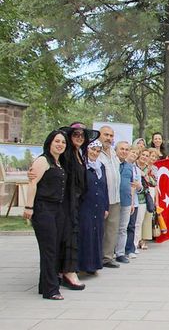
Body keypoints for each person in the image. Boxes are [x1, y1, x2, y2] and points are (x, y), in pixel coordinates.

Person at [23, 130, 69, 300]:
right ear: (49, 142)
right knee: (49, 249)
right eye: (57, 141)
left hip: (57, 209)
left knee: (54, 248)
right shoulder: (42, 160)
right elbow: (33, 183)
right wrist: (29, 207)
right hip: (44, 209)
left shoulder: (58, 162)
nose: (60, 145)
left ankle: (44, 285)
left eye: (63, 142)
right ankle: (51, 290)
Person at [59, 122, 99, 289]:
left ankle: (66, 270)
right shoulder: (66, 154)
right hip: (66, 201)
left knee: (72, 234)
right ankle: (67, 271)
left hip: (77, 201)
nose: (79, 138)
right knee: (67, 235)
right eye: (76, 135)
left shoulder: (79, 153)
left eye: (82, 136)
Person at [78, 139, 108, 275]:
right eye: (92, 150)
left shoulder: (100, 166)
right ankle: (82, 265)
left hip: (99, 204)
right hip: (85, 205)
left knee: (97, 235)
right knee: (85, 234)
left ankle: (94, 265)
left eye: (97, 151)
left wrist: (106, 206)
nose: (95, 153)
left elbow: (104, 187)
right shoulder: (82, 165)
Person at [97, 125, 121, 268]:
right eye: (106, 135)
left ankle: (107, 257)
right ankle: (96, 256)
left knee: (112, 229)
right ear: (99, 135)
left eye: (111, 136)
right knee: (100, 228)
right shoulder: (95, 152)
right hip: (101, 198)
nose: (109, 138)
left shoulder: (113, 152)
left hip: (115, 197)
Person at [115, 142, 137, 264]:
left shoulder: (129, 166)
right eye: (121, 149)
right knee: (111, 228)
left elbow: (132, 185)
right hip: (113, 201)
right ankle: (107, 253)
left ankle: (120, 253)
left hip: (126, 201)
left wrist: (132, 202)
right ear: (116, 150)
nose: (124, 151)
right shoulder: (112, 164)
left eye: (126, 149)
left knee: (123, 228)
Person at [132, 148, 152, 253]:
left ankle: (135, 244)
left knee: (139, 223)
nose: (144, 157)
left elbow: (153, 182)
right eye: (143, 155)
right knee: (131, 223)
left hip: (143, 199)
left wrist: (147, 176)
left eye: (146, 155)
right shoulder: (133, 166)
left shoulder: (149, 169)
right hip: (132, 197)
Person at [125, 148, 143, 259]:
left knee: (131, 226)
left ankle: (130, 248)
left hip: (134, 201)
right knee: (122, 227)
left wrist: (138, 186)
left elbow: (140, 188)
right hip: (124, 200)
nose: (134, 154)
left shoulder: (136, 169)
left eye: (136, 153)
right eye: (133, 152)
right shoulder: (121, 165)